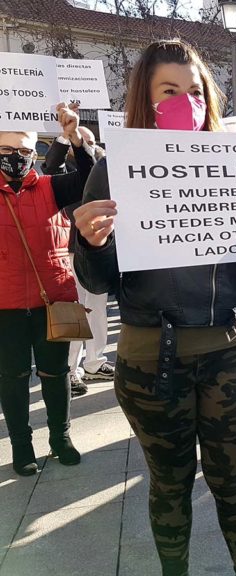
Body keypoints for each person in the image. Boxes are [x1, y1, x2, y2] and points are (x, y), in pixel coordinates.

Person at [73, 40, 236, 576]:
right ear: (146, 97)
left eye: (196, 91)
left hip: (230, 351)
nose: (187, 100)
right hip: (151, 360)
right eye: (170, 90)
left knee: (233, 480)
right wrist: (89, 241)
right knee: (171, 482)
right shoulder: (115, 170)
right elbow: (97, 280)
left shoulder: (235, 165)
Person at [0, 104, 91, 477]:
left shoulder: (51, 188)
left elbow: (90, 177)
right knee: (13, 378)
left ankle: (61, 438)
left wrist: (74, 137)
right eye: (8, 152)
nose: (18, 159)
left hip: (52, 301)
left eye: (25, 151)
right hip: (5, 306)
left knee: (56, 375)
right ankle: (22, 447)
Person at [42, 126, 112, 397]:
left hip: (98, 250)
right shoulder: (64, 172)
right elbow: (50, 164)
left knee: (97, 310)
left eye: (92, 142)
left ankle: (95, 362)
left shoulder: (102, 169)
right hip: (71, 250)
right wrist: (66, 136)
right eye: (83, 142)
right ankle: (71, 370)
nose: (89, 145)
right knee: (76, 311)